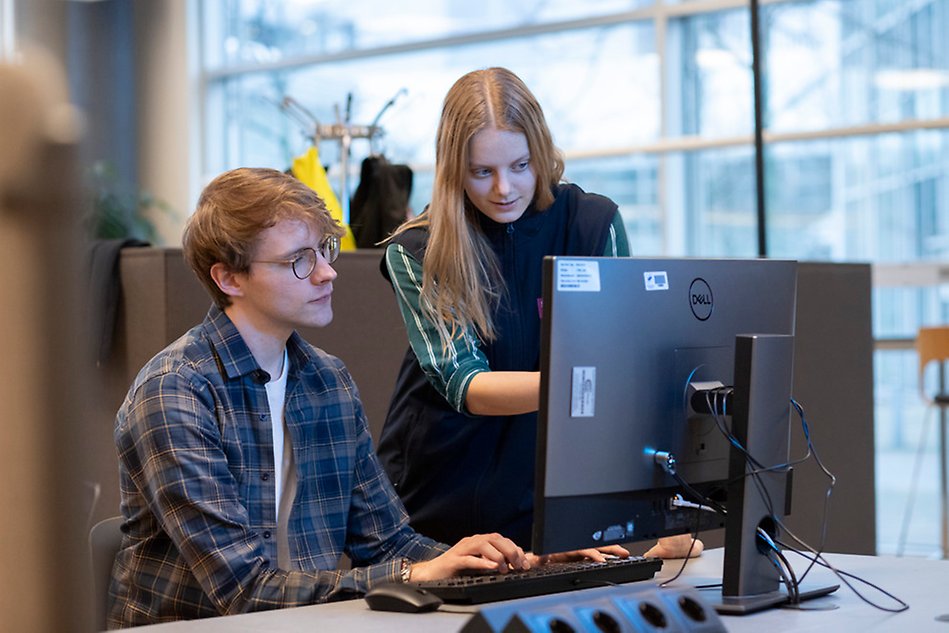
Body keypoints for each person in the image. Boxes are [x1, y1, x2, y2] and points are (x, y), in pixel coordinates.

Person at [108, 167, 547, 628]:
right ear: (230, 279)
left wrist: (511, 567)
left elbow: (387, 542)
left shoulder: (326, 380)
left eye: (324, 249)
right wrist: (411, 574)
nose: (327, 272)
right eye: (299, 260)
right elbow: (242, 590)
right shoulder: (177, 390)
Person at [377, 67, 702, 559]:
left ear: (542, 151)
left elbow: (624, 374)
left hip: (542, 494)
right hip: (438, 499)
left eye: (521, 165)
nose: (503, 188)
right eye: (481, 172)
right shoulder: (419, 249)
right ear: (452, 169)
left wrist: (655, 506)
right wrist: (584, 385)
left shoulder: (593, 226)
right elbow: (466, 385)